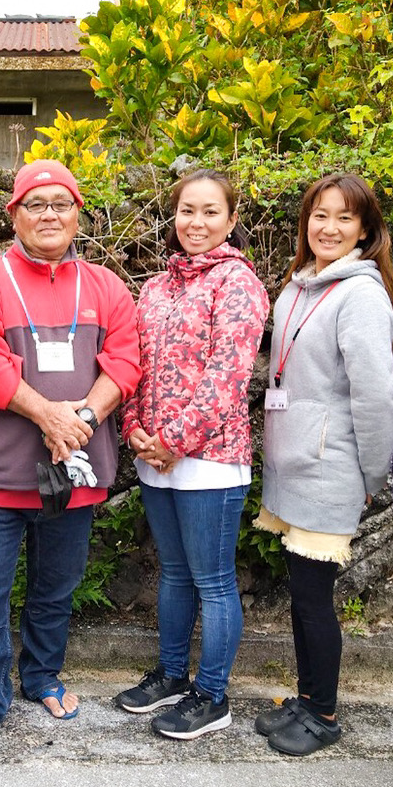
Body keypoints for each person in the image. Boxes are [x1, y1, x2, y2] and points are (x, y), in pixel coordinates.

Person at [0, 159, 141, 750]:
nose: (49, 214)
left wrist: (78, 418)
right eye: (36, 204)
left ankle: (41, 676)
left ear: (78, 213)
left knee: (56, 586)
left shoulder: (106, 285)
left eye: (61, 203)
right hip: (0, 473)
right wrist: (48, 414)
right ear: (14, 215)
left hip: (75, 467)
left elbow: (126, 363)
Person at [113, 170, 269, 740]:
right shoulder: (155, 287)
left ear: (230, 220)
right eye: (186, 211)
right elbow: (133, 367)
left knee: (213, 580)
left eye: (209, 212)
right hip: (155, 457)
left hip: (211, 458)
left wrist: (174, 440)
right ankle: (173, 676)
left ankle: (213, 695)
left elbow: (228, 375)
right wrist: (135, 429)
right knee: (174, 574)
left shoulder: (238, 283)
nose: (195, 223)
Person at [251, 173, 393, 756]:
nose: (329, 228)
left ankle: (325, 712)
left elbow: (375, 397)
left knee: (314, 597)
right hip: (292, 466)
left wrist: (370, 474)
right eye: (319, 215)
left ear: (365, 230)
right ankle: (309, 698)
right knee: (301, 592)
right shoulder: (298, 286)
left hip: (330, 466)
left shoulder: (361, 295)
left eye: (344, 217)